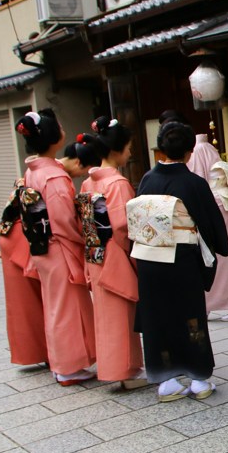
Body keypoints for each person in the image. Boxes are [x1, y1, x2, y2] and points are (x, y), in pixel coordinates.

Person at [132, 121, 228, 401]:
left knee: (158, 317)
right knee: (190, 317)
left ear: (161, 148)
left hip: (148, 260)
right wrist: (219, 247)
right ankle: (198, 379)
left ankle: (167, 381)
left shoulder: (147, 179)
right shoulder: (193, 183)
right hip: (181, 259)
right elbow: (211, 224)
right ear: (189, 152)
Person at [16, 109, 97, 385]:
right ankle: (69, 366)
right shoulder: (54, 176)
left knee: (55, 306)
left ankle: (61, 361)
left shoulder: (33, 172)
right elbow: (63, 219)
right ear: (54, 138)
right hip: (58, 245)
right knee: (67, 307)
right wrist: (82, 238)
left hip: (42, 246)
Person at [80, 117, 146, 388]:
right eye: (128, 147)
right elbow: (121, 226)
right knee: (121, 315)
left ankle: (113, 367)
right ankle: (125, 371)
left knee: (106, 316)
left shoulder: (88, 183)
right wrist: (131, 254)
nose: (130, 152)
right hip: (114, 255)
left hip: (94, 252)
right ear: (117, 150)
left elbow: (84, 221)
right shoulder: (117, 184)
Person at [185, 125, 228, 322]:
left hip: (217, 207)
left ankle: (209, 305)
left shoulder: (197, 151)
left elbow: (197, 183)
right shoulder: (209, 147)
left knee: (213, 257)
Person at [0, 179, 48, 367]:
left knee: (21, 304)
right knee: (34, 302)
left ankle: (33, 353)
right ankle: (47, 353)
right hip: (25, 237)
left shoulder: (27, 178)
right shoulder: (47, 178)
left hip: (11, 233)